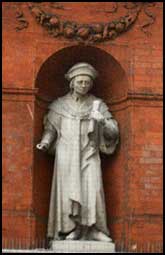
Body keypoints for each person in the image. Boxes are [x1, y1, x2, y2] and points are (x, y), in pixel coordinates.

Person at [36, 62, 119, 243]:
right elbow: (51, 129)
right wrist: (44, 142)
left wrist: (103, 121)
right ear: (72, 83)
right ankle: (71, 229)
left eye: (87, 82)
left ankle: (94, 228)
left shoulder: (98, 105)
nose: (84, 85)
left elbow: (114, 133)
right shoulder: (60, 105)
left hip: (89, 152)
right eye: (80, 82)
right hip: (66, 154)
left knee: (93, 189)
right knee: (68, 191)